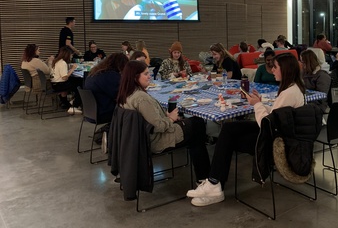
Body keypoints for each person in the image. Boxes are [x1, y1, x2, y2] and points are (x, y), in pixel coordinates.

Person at [186, 53, 305, 207]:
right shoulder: (294, 89)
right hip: (278, 133)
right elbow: (277, 115)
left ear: (285, 70)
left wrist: (256, 105)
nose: (272, 70)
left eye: (275, 67)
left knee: (228, 137)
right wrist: (260, 103)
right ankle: (214, 184)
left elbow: (266, 124)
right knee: (228, 128)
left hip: (273, 141)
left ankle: (214, 184)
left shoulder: (288, 93)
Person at [116, 60, 210, 184]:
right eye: (146, 74)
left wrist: (166, 116)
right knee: (198, 125)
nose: (150, 76)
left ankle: (203, 175)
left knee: (193, 125)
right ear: (135, 77)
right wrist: (170, 118)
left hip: (139, 141)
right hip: (156, 140)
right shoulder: (142, 98)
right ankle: (204, 178)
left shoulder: (126, 95)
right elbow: (159, 126)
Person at [85, 53, 128, 126]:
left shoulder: (94, 73)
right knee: (135, 110)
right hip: (104, 112)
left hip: (91, 112)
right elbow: (120, 95)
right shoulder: (110, 76)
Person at [50, 46, 83, 114]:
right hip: (60, 84)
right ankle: (74, 106)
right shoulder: (62, 63)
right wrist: (72, 69)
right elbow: (64, 77)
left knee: (75, 81)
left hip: (54, 83)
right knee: (80, 86)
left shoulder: (56, 61)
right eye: (71, 55)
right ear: (67, 54)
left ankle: (67, 102)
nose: (71, 56)